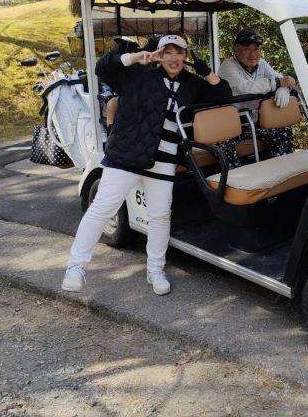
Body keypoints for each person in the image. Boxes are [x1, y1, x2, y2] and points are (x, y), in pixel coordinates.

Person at [62, 34, 231, 295]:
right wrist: (135, 57)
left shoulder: (191, 83)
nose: (173, 58)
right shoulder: (137, 74)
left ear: (185, 56)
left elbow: (222, 94)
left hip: (164, 160)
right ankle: (76, 267)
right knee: (103, 208)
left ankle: (155, 269)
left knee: (160, 215)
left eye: (179, 52)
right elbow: (103, 68)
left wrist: (206, 72)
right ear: (159, 54)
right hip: (126, 155)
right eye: (167, 52)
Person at [216, 29, 297, 167]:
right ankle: (237, 179)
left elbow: (283, 79)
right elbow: (245, 87)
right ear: (237, 49)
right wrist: (278, 84)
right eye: (247, 49)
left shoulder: (262, 64)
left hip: (255, 124)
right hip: (230, 126)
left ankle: (279, 173)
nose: (253, 54)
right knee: (224, 147)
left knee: (283, 133)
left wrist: (284, 88)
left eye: (257, 49)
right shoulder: (227, 66)